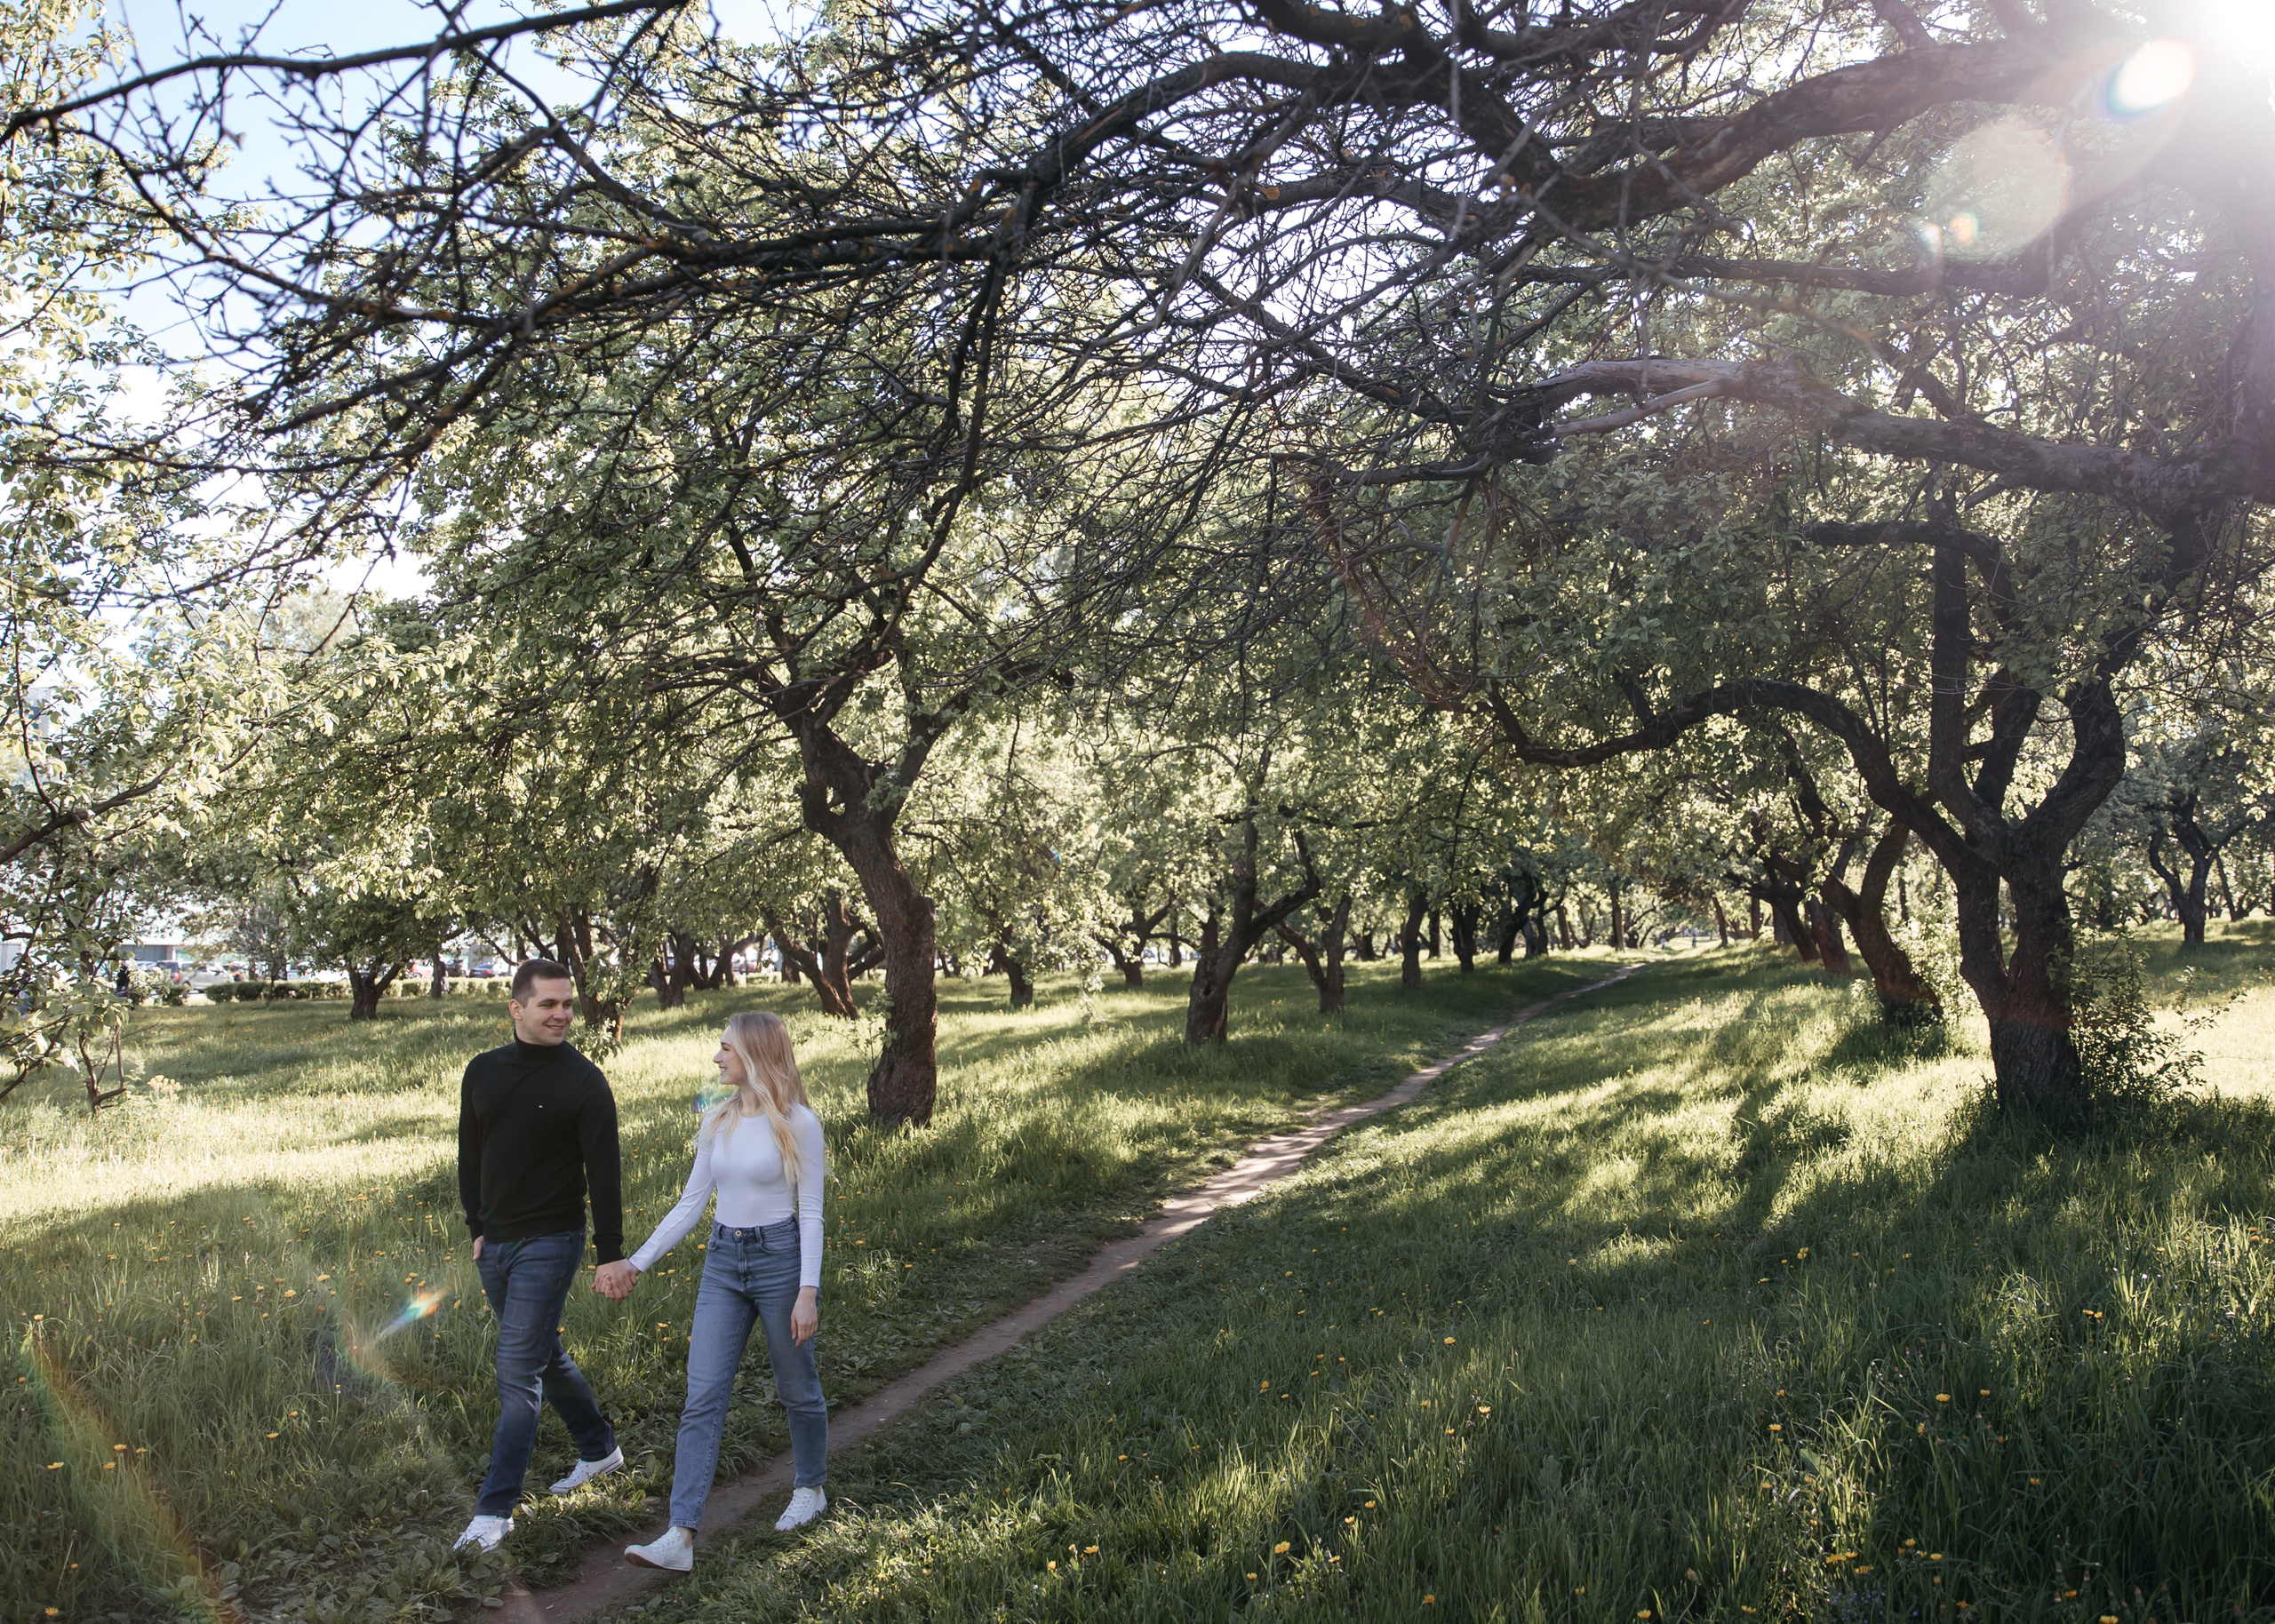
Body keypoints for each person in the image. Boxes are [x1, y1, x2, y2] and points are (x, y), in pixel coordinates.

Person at [594, 1011, 828, 1572]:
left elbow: (812, 1212)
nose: (717, 1057)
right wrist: (635, 1263)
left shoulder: (799, 1123)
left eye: (727, 1048)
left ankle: (811, 1487)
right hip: (723, 1262)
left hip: (780, 1261)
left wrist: (807, 1291)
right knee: (702, 1397)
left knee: (796, 1386)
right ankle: (680, 1535)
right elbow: (690, 1204)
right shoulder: (717, 1120)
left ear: (756, 1054)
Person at [452, 959, 627, 1554]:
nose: (561, 1015)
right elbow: (470, 1154)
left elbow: (605, 1175)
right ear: (517, 1008)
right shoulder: (483, 1071)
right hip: (495, 1244)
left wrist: (610, 1254)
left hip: (552, 1241)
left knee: (517, 1370)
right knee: (541, 1354)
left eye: (567, 1004)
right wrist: (476, 1226)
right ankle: (600, 1448)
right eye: (548, 1004)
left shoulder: (584, 1082)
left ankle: (494, 1512)